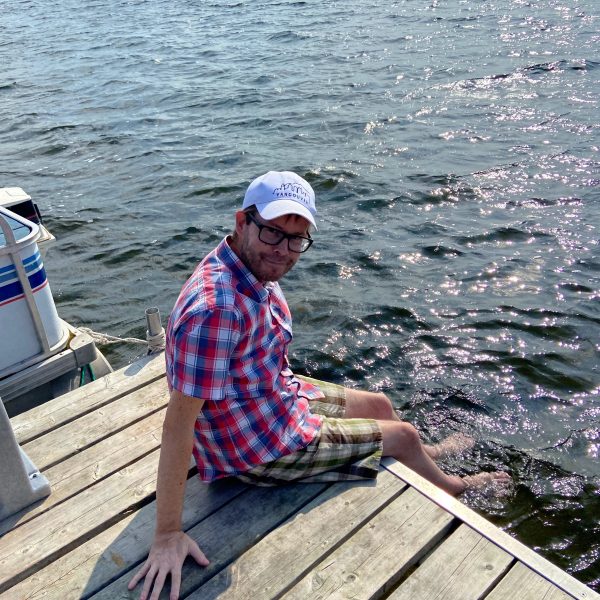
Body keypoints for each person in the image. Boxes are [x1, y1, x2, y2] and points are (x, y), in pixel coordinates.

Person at [128, 171, 510, 600]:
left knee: (382, 405)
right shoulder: (216, 310)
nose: (283, 251)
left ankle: (428, 457)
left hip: (268, 396)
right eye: (273, 233)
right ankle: (456, 489)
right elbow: (178, 426)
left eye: (296, 239)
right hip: (253, 449)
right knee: (402, 436)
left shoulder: (243, 266)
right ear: (242, 222)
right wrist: (167, 534)